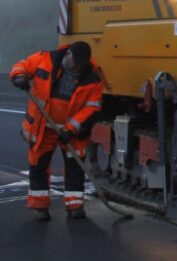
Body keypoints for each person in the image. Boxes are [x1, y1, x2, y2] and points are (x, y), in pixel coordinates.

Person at [9, 41, 106, 220]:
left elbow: (91, 108)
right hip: (43, 127)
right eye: (75, 63)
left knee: (75, 168)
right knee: (38, 166)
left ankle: (75, 207)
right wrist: (19, 76)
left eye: (81, 65)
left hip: (72, 133)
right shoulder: (44, 60)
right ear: (68, 55)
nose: (77, 68)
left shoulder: (93, 78)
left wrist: (70, 129)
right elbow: (21, 65)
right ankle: (40, 208)